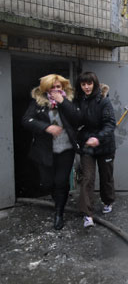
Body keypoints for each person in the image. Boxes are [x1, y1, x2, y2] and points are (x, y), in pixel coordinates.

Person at [22, 74, 80, 230]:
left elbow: (77, 119)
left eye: (58, 87)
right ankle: (58, 201)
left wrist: (64, 103)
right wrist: (46, 127)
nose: (55, 90)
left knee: (61, 182)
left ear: (63, 88)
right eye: (52, 87)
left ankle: (59, 213)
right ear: (46, 89)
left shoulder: (68, 101)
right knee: (48, 182)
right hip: (45, 151)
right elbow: (26, 120)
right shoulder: (38, 102)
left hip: (66, 150)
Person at [74, 72, 116, 228]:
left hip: (105, 145)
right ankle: (87, 214)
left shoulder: (104, 101)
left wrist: (98, 138)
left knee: (106, 176)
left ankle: (108, 201)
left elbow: (110, 124)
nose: (86, 87)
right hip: (88, 146)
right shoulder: (79, 101)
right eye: (83, 84)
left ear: (95, 84)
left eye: (89, 84)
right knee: (88, 178)